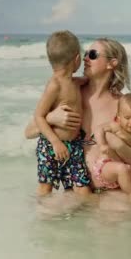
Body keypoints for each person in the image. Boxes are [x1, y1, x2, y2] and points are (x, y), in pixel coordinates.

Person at [25, 37, 131, 193]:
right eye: (86, 53)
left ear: (112, 63)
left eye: (93, 54)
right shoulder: (70, 92)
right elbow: (28, 132)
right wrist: (52, 118)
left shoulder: (122, 105)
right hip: (77, 191)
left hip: (110, 190)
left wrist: (117, 144)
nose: (85, 58)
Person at [32, 30, 91, 197]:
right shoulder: (54, 85)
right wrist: (56, 142)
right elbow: (39, 116)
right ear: (77, 59)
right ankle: (42, 218)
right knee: (46, 188)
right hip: (51, 146)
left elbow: (85, 80)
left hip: (74, 146)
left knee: (82, 189)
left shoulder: (74, 82)